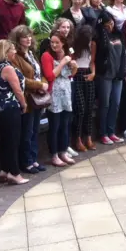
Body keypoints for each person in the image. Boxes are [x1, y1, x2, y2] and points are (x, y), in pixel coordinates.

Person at [9, 26, 49, 175]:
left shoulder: (31, 53)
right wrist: (39, 85)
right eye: (24, 37)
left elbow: (40, 72)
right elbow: (20, 79)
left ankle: (33, 158)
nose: (28, 39)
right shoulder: (16, 57)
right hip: (27, 98)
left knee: (34, 130)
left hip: (37, 97)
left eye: (30, 36)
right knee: (27, 131)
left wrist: (43, 84)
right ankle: (26, 161)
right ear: (17, 39)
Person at [0, 40, 28, 185]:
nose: (15, 52)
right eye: (12, 49)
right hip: (10, 107)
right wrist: (24, 104)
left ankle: (4, 170)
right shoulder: (7, 68)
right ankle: (14, 173)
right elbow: (17, 89)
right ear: (6, 52)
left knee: (5, 140)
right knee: (13, 140)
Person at [41, 33, 78, 166]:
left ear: (63, 43)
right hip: (54, 93)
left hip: (66, 91)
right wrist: (62, 63)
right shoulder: (47, 56)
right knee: (55, 125)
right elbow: (50, 76)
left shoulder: (68, 53)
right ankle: (54, 154)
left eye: (57, 42)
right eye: (52, 42)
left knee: (65, 124)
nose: (54, 45)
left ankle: (63, 151)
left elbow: (71, 75)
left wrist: (74, 66)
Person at [95, 10, 126, 145]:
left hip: (117, 75)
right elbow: (98, 55)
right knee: (105, 104)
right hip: (104, 75)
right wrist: (103, 32)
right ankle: (103, 133)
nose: (110, 25)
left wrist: (122, 72)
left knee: (116, 104)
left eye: (111, 22)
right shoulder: (99, 37)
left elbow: (123, 55)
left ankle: (111, 131)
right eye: (107, 23)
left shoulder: (118, 35)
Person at [71, 25, 96, 151]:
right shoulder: (75, 46)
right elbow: (72, 61)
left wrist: (93, 73)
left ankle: (88, 137)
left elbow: (92, 62)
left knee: (89, 107)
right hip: (77, 75)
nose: (89, 39)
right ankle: (77, 138)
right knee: (80, 108)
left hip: (88, 73)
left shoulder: (92, 45)